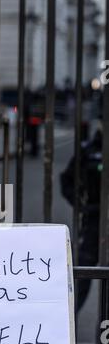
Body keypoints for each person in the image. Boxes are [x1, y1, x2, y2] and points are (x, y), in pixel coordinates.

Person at [60, 127, 102, 311]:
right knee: (81, 279)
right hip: (92, 219)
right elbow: (66, 180)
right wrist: (80, 203)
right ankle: (68, 329)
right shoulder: (88, 150)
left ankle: (104, 338)